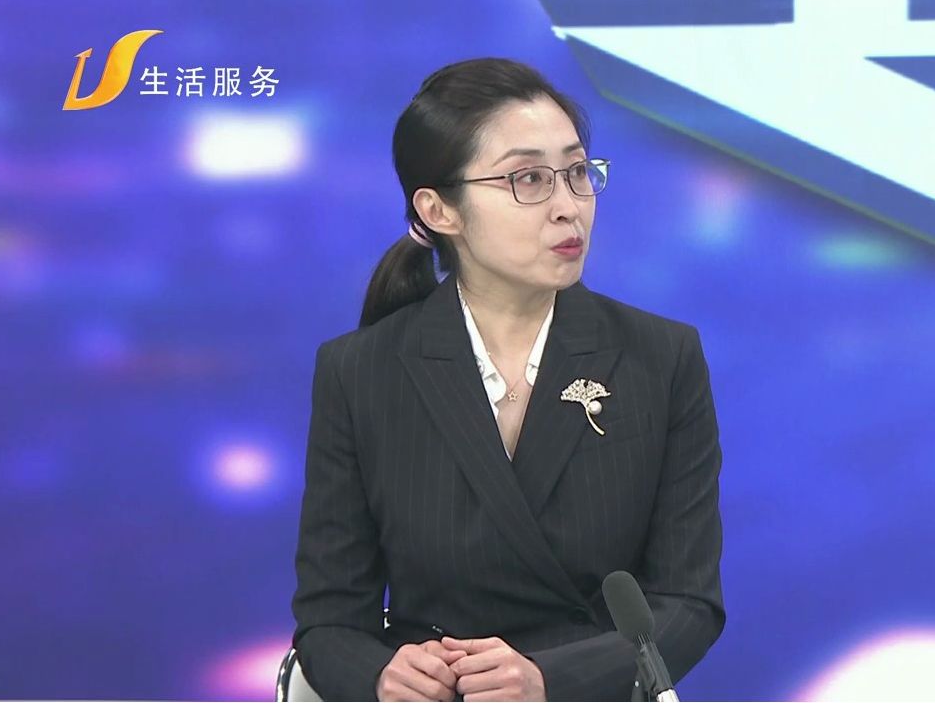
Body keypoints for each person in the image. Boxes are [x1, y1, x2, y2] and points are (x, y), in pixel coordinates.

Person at [291, 58, 724, 702]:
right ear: (440, 209)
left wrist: (552, 680)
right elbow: (328, 621)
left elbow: (689, 604)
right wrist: (382, 676)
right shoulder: (360, 371)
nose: (568, 208)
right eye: (529, 180)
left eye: (577, 173)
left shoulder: (661, 358)